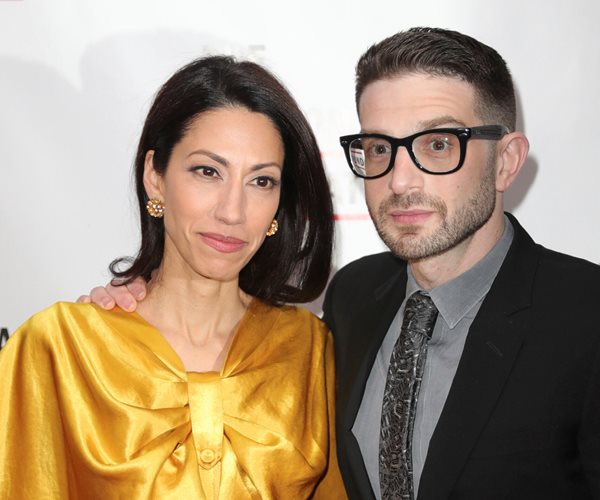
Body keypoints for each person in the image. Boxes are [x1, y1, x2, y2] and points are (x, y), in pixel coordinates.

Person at [82, 27, 600, 499]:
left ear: (506, 161)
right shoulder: (353, 299)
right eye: (379, 149)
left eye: (438, 145)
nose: (400, 181)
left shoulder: (585, 317)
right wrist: (120, 324)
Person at [0, 56, 347, 499]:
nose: (232, 212)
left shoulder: (309, 350)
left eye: (261, 181)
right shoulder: (60, 349)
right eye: (208, 172)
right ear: (155, 178)